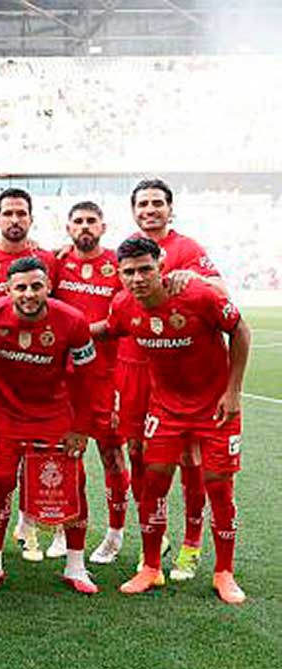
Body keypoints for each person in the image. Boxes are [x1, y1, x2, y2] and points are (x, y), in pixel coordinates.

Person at [98, 237, 250, 604]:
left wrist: (233, 391)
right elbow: (106, 329)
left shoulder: (198, 295)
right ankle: (151, 568)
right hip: (164, 409)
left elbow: (240, 330)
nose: (138, 278)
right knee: (153, 484)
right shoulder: (123, 305)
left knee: (218, 485)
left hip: (215, 407)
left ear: (160, 266)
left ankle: (223, 572)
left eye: (145, 269)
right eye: (129, 272)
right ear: (119, 275)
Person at [98, 179, 225, 579]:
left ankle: (192, 540)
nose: (150, 210)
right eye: (142, 204)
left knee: (190, 455)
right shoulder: (127, 250)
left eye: (157, 203)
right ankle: (155, 541)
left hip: (178, 369)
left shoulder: (187, 249)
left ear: (171, 208)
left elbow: (221, 289)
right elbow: (113, 312)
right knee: (140, 455)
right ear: (133, 210)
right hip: (134, 366)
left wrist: (195, 279)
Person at [0, 257, 99, 595]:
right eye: (21, 288)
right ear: (8, 290)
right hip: (4, 413)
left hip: (53, 414)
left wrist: (81, 427)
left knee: (74, 484)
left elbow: (87, 379)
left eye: (36, 286)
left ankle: (76, 565)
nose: (29, 294)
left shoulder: (72, 321)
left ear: (48, 287)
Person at [0, 188, 60, 562]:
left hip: (38, 375)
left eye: (21, 213)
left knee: (36, 453)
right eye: (8, 213)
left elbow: (57, 309)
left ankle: (29, 524)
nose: (15, 219)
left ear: (31, 218)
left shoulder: (48, 258)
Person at [50, 202, 129, 563]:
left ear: (103, 226)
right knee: (67, 456)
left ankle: (115, 533)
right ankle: (66, 530)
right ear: (68, 228)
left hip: (107, 378)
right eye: (78, 221)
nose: (85, 227)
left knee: (112, 456)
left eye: (91, 221)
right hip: (66, 380)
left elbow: (121, 318)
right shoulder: (57, 263)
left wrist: (78, 334)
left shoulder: (118, 265)